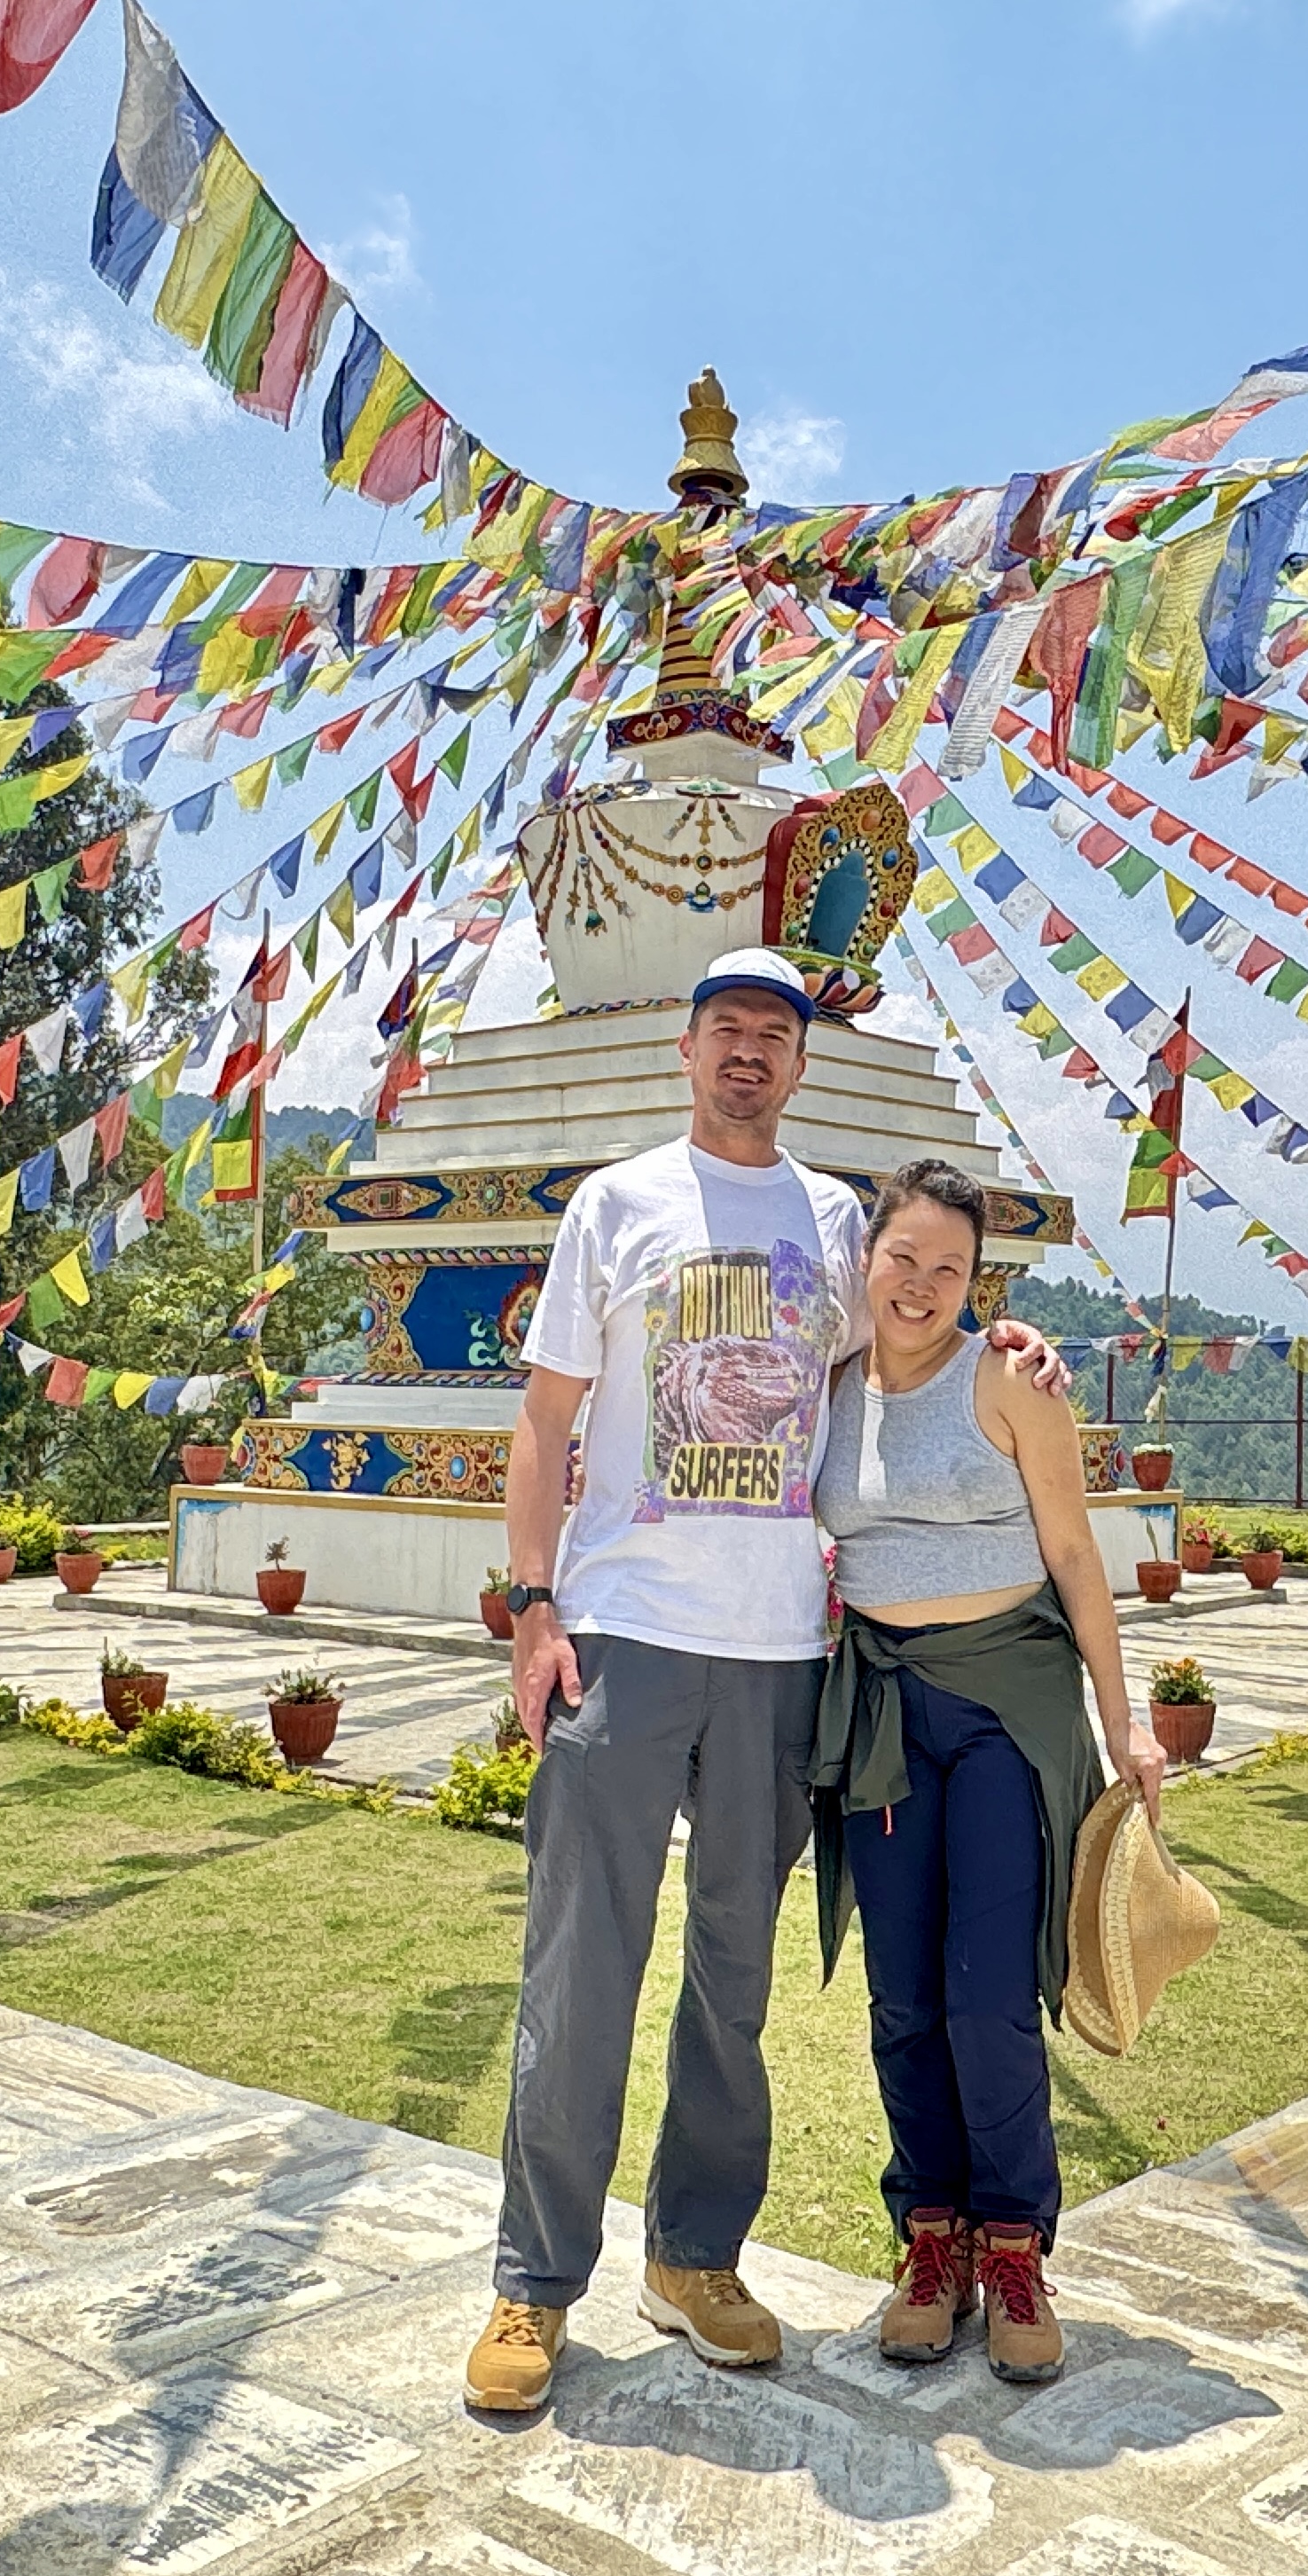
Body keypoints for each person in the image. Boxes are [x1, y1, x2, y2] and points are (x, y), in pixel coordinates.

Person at [466, 947, 1067, 2414]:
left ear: (799, 1065)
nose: (748, 1051)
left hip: (781, 1648)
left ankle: (695, 2255)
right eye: (725, 1027)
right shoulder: (616, 1204)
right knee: (581, 1967)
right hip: (626, 1627)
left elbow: (911, 1346)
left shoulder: (835, 1220)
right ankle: (533, 2281)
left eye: (773, 1035)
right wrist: (536, 1606)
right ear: (685, 1049)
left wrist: (1013, 1341)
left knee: (732, 1977)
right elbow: (543, 1423)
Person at [809, 1157, 1166, 2384]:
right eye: (902, 1257)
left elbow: (1075, 1555)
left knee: (987, 1994)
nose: (920, 1285)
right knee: (902, 1994)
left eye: (950, 1268)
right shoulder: (828, 1385)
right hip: (882, 1711)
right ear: (867, 1258)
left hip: (1006, 1708)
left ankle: (1013, 2245)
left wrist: (1128, 1724)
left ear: (978, 1283)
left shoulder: (1010, 1378)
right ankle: (931, 2238)